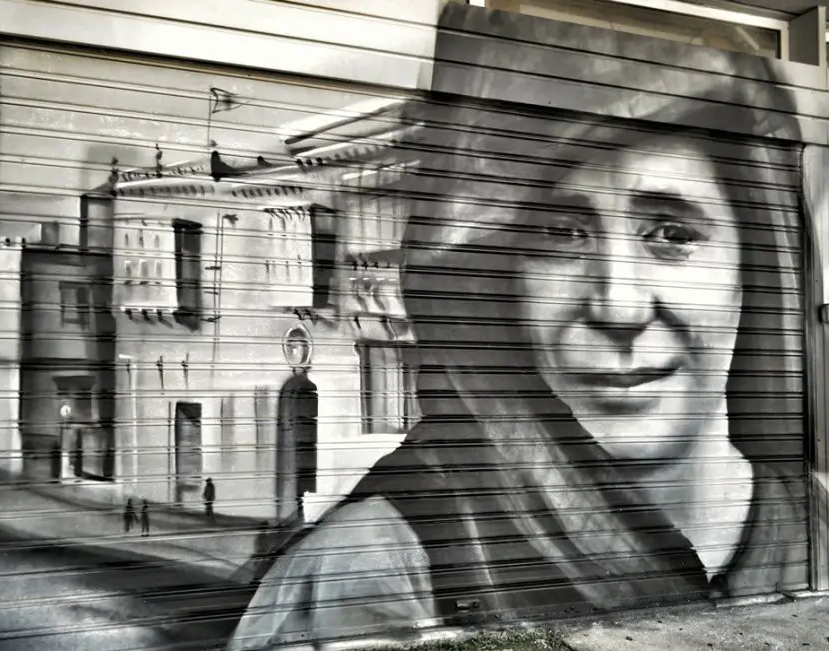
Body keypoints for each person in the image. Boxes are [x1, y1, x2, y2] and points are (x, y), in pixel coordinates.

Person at [225, 5, 808, 651]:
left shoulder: (813, 521)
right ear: (496, 280)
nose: (618, 307)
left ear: (754, 267)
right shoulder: (369, 571)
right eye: (561, 234)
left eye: (671, 234)